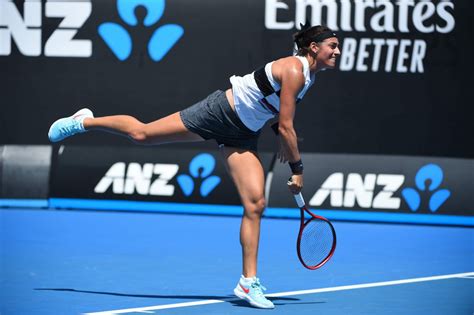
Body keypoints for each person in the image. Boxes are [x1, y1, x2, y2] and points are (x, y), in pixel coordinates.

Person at [48, 24, 340, 309]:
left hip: (243, 134)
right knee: (142, 135)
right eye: (333, 45)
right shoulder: (293, 69)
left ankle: (248, 282)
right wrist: (297, 168)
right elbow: (287, 126)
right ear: (314, 48)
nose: (337, 51)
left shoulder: (308, 77)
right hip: (220, 113)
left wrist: (281, 137)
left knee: (255, 203)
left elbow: (278, 118)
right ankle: (84, 121)